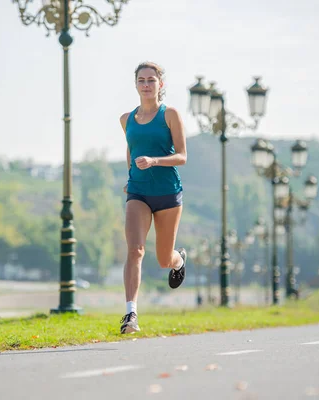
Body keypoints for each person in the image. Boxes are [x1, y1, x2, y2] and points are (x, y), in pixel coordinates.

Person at [119, 61, 187, 334]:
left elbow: (182, 156)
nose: (146, 85)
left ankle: (179, 260)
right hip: (138, 192)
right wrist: (130, 176)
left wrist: (155, 160)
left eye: (151, 80)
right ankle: (130, 315)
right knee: (135, 250)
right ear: (135, 85)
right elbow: (131, 149)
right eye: (141, 80)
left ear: (161, 85)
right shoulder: (126, 119)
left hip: (168, 193)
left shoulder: (170, 114)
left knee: (162, 259)